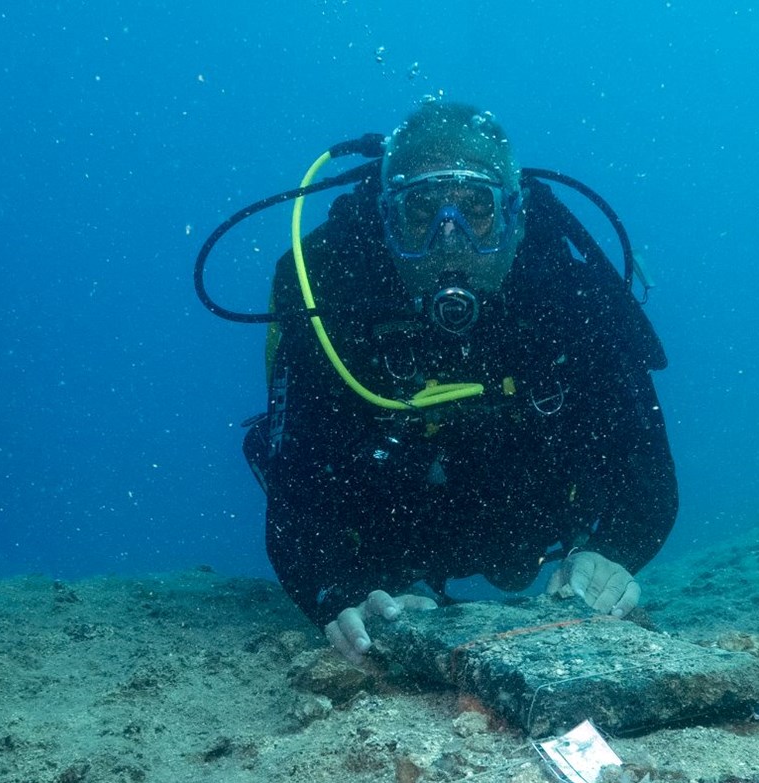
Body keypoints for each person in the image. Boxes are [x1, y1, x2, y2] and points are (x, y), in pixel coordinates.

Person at [247, 100, 678, 665]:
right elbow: (293, 494)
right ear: (386, 220)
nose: (449, 240)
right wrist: (338, 589)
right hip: (390, 534)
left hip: (531, 517)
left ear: (514, 216)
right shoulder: (332, 299)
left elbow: (649, 483)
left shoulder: (573, 297)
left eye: (476, 209)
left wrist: (611, 552)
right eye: (420, 210)